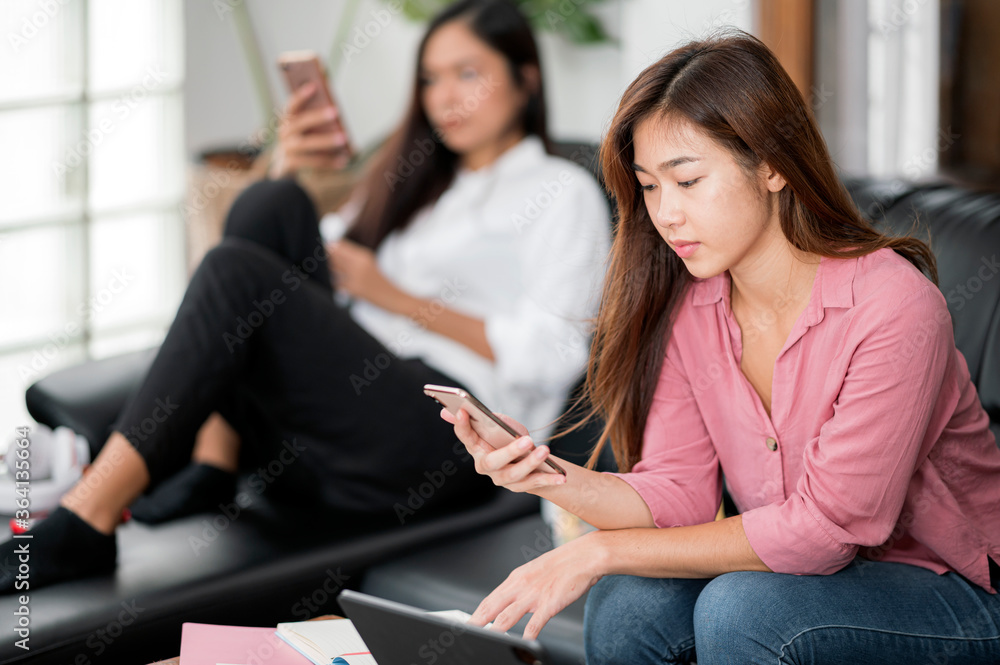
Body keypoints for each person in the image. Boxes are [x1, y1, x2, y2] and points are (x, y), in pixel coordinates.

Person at [0, 0, 610, 592]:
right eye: (430, 78)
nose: (444, 97)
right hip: (340, 427)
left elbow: (552, 354)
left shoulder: (562, 192)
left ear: (525, 80)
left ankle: (87, 520)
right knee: (273, 203)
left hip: (445, 435)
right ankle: (215, 460)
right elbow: (295, 257)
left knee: (238, 269)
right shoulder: (415, 183)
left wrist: (393, 295)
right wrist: (283, 164)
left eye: (468, 74)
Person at [443, 31, 1000, 663]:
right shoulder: (695, 307)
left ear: (771, 166)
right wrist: (542, 475)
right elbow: (678, 493)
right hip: (817, 584)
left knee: (744, 609)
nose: (666, 214)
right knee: (630, 601)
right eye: (650, 186)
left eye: (687, 180)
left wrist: (597, 550)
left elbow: (827, 531)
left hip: (965, 593)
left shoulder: (893, 306)